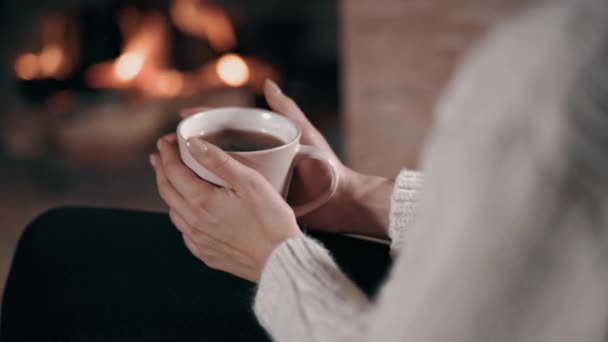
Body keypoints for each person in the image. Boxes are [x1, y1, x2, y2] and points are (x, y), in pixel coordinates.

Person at [3, 0, 608, 340]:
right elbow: (565, 224)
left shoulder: (557, 72)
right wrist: (356, 197)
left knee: (60, 255)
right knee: (64, 242)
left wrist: (277, 263)